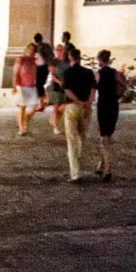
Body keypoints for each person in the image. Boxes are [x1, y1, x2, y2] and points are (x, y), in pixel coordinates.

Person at [59, 42, 95, 182]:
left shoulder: (67, 72)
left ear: (70, 58)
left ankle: (75, 172)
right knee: (81, 136)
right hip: (86, 108)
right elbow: (93, 90)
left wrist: (78, 101)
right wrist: (87, 104)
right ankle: (78, 160)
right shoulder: (89, 72)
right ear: (80, 58)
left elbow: (67, 90)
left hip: (72, 107)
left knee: (71, 139)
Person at [13, 42, 41, 135]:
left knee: (35, 107)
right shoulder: (21, 59)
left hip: (32, 86)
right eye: (31, 49)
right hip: (21, 85)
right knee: (22, 107)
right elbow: (15, 73)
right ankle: (21, 128)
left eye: (34, 50)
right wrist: (15, 86)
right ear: (27, 49)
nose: (32, 52)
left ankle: (24, 120)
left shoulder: (34, 61)